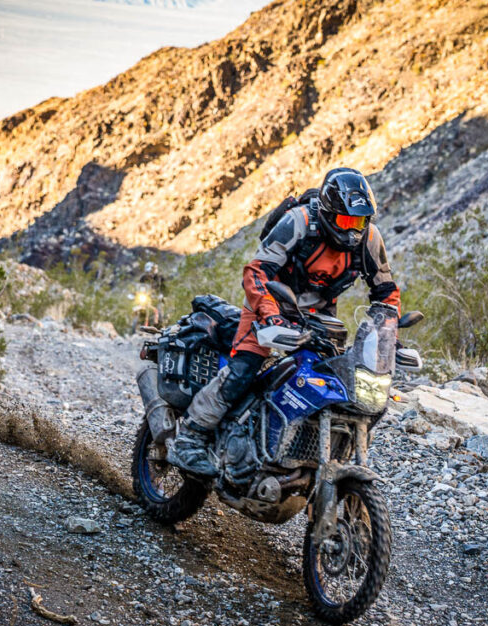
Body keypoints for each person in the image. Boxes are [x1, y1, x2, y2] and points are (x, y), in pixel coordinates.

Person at [166, 168, 401, 477]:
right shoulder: (299, 222)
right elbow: (256, 272)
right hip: (267, 304)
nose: (352, 230)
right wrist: (271, 315)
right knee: (244, 368)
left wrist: (389, 334)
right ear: (328, 212)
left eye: (359, 222)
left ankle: (303, 448)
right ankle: (190, 439)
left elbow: (386, 292)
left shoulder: (369, 238)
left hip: (318, 317)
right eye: (346, 221)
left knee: (335, 382)